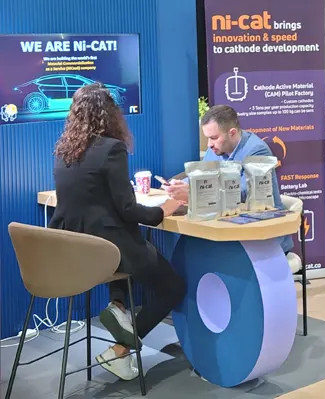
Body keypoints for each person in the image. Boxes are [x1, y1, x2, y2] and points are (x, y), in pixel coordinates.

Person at [49, 83, 186, 380]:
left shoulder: (64, 153)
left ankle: (118, 305)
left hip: (77, 250)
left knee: (123, 254)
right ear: (110, 114)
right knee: (174, 287)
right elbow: (127, 209)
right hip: (110, 252)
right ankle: (122, 350)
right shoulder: (112, 149)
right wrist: (162, 211)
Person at [165, 105, 294, 253]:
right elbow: (204, 176)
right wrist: (180, 185)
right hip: (230, 229)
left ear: (232, 133)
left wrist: (195, 191)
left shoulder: (257, 150)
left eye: (214, 138)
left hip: (264, 238)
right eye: (207, 138)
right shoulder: (215, 150)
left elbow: (243, 193)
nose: (209, 145)